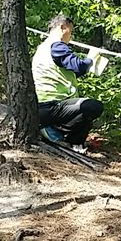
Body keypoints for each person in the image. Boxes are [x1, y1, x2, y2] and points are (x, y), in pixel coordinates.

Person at [32, 15, 104, 152]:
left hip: (41, 108)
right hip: (50, 106)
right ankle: (72, 142)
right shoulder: (57, 45)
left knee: (82, 107)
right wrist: (91, 60)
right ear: (62, 28)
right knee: (91, 106)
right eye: (70, 32)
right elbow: (79, 67)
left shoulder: (43, 48)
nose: (70, 37)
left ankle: (57, 132)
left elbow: (71, 70)